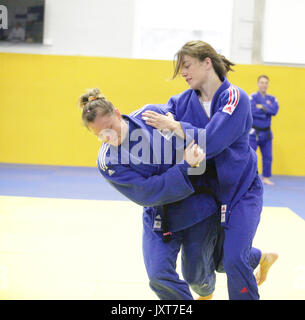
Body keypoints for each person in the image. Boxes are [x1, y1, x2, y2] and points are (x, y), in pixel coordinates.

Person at [142, 40, 278, 300]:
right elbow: (158, 130)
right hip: (207, 196)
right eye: (180, 68)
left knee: (235, 259)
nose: (182, 72)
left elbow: (212, 142)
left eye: (187, 65)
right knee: (218, 261)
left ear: (207, 63)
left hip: (240, 192)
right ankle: (261, 257)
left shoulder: (235, 98)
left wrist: (177, 128)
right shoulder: (179, 102)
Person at [78, 88, 224, 300]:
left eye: (110, 127)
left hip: (197, 202)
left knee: (197, 276)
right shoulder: (109, 162)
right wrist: (184, 164)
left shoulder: (149, 115)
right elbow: (148, 191)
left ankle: (219, 282)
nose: (107, 136)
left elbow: (192, 129)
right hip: (160, 212)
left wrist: (176, 126)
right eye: (99, 134)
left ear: (118, 113)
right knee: (158, 276)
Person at [249, 75, 279, 185]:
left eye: (266, 83)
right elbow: (252, 111)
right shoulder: (252, 97)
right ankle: (250, 178)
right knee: (250, 156)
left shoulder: (272, 99)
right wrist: (266, 111)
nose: (264, 85)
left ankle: (266, 177)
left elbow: (274, 111)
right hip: (253, 132)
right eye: (261, 82)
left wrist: (263, 107)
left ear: (268, 85)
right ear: (258, 84)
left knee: (268, 156)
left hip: (266, 132)